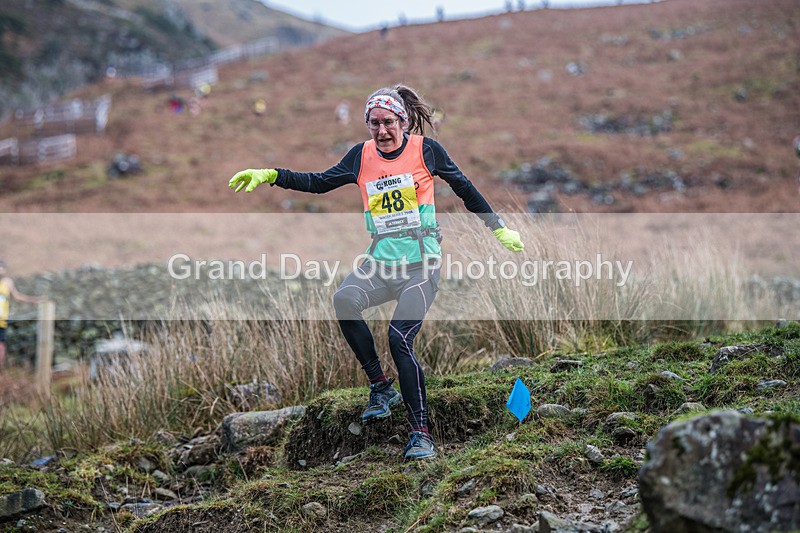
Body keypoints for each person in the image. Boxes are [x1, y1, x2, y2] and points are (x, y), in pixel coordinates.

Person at [229, 84, 524, 460]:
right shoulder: (361, 156)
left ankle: (421, 434)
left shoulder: (427, 151)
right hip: (381, 263)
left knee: (399, 338)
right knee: (345, 299)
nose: (382, 131)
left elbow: (465, 188)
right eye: (374, 124)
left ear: (403, 120)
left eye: (388, 122)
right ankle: (381, 387)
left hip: (421, 265)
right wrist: (271, 174)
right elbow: (319, 183)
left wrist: (497, 227)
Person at [0, 260, 45, 372]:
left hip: (2, 320)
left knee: (1, 344)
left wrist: (35, 300)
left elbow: (17, 297)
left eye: (1, 268)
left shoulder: (7, 283)